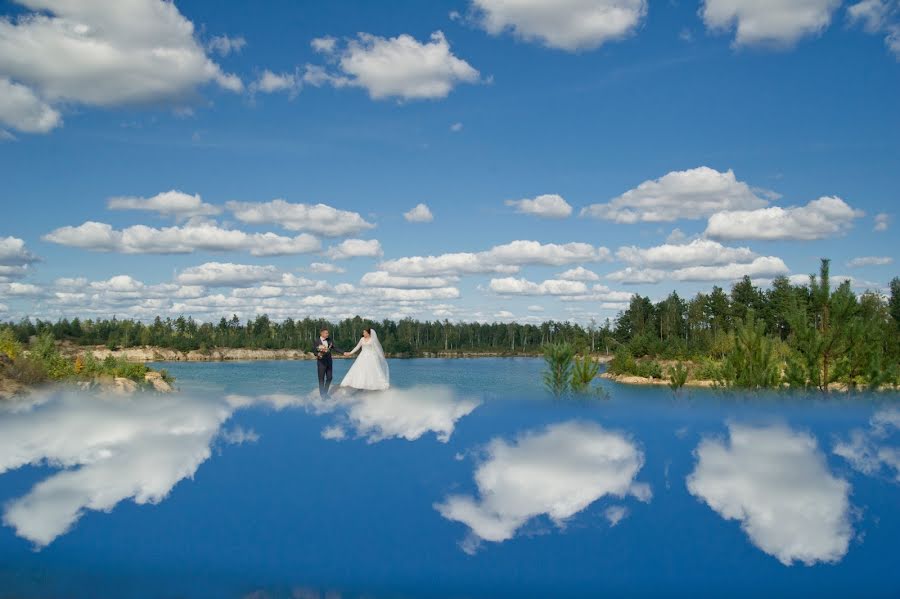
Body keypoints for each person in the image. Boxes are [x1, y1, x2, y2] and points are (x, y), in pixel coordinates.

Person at [313, 327, 344, 397]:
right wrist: (318, 354)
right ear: (321, 333)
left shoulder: (329, 340)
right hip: (321, 362)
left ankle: (325, 393)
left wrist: (343, 352)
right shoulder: (316, 341)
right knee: (321, 379)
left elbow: (335, 348)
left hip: (329, 361)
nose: (328, 334)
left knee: (330, 378)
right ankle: (322, 396)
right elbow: (314, 351)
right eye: (326, 333)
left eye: (328, 333)